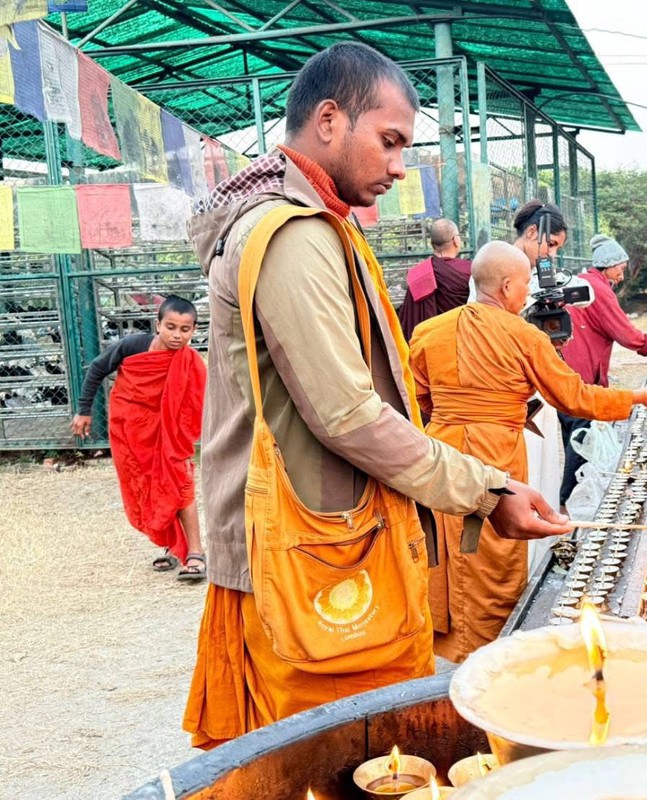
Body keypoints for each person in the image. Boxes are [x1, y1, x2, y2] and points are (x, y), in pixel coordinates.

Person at [182, 43, 570, 749]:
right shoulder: (292, 234)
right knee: (344, 757)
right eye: (390, 142)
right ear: (329, 120)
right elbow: (347, 414)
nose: (399, 165)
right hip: (309, 561)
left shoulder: (319, 224)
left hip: (317, 545)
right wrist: (486, 490)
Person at [410, 241, 647, 662]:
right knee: (492, 562)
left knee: (445, 555)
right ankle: (489, 662)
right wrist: (637, 397)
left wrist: (457, 420)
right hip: (495, 460)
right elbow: (575, 397)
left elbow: (420, 397)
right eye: (526, 283)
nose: (528, 292)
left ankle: (450, 656)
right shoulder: (523, 335)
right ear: (508, 285)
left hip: (440, 458)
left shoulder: (427, 332)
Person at [70, 296, 207, 581]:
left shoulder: (190, 362)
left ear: (194, 330)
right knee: (149, 483)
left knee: (179, 480)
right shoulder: (132, 346)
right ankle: (173, 546)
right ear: (158, 324)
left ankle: (195, 552)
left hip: (170, 434)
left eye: (185, 329)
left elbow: (197, 401)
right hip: (132, 428)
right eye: (170, 327)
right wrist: (84, 411)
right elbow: (97, 369)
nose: (177, 335)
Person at [559, 235, 647, 510]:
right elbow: (623, 331)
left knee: (574, 432)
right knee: (583, 432)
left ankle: (573, 496)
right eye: (620, 269)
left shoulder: (584, 282)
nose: (622, 275)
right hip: (580, 370)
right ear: (607, 266)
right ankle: (568, 503)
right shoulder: (597, 289)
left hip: (568, 367)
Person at [509, 199, 569, 517]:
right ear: (533, 232)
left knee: (544, 464)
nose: (553, 254)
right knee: (526, 471)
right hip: (514, 389)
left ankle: (543, 542)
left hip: (537, 383)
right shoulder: (500, 265)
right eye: (553, 244)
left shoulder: (534, 273)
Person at [398, 218, 472, 340]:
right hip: (464, 340)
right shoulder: (469, 270)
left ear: (432, 244)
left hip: (430, 342)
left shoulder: (419, 273)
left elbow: (409, 319)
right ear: (456, 240)